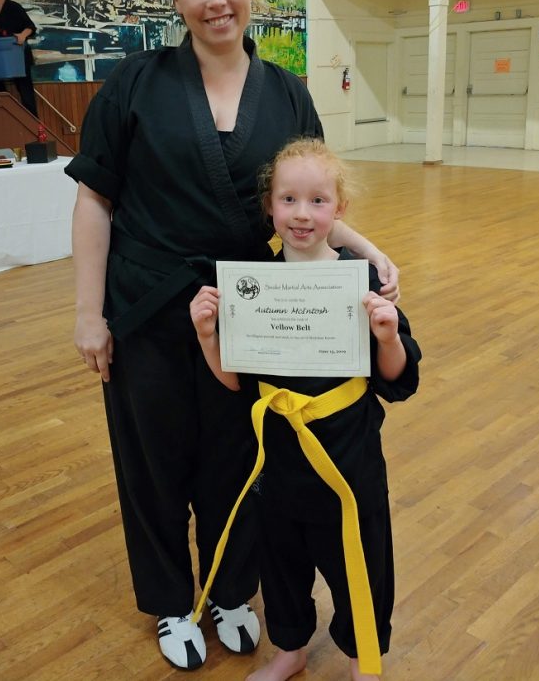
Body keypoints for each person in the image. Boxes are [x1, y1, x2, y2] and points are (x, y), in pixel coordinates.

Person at [65, 0, 400, 672]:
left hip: (253, 314)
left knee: (241, 458)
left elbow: (312, 203)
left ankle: (227, 589)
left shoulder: (286, 94)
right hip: (147, 308)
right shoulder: (136, 85)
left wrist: (368, 251)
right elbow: (94, 201)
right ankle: (171, 602)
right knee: (152, 464)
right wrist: (89, 312)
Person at [190, 138, 421, 681]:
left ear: (339, 210)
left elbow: (398, 379)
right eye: (288, 199)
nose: (301, 213)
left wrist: (386, 336)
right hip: (278, 457)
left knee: (360, 561)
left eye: (318, 200)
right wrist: (207, 336)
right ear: (269, 207)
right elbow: (234, 380)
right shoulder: (253, 284)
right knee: (282, 562)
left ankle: (365, 657)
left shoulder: (361, 282)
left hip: (350, 458)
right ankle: (291, 650)